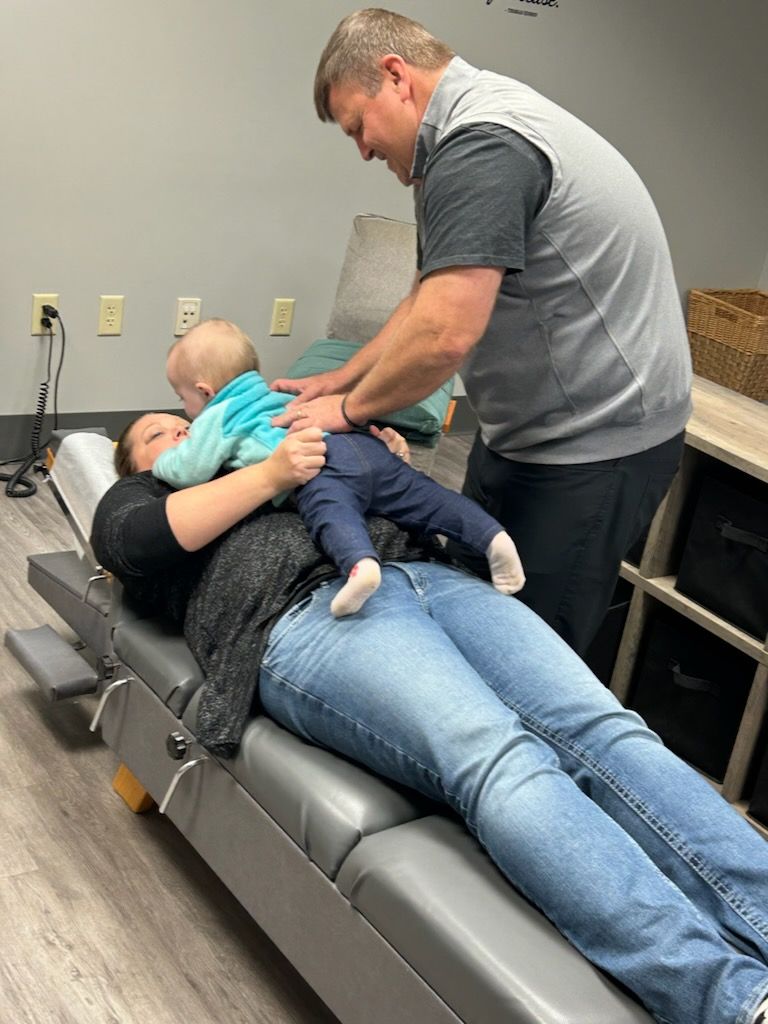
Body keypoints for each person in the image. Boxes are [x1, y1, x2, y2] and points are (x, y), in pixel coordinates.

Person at [90, 414, 768, 1024]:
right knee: (499, 759)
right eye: (160, 435)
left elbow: (400, 499)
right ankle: (729, 1000)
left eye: (188, 422)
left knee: (609, 731)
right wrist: (273, 471)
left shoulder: (278, 444)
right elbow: (132, 544)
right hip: (303, 617)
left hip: (425, 575)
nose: (185, 432)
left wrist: (377, 461)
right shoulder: (143, 498)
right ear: (136, 465)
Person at [270, 8, 693, 657]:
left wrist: (346, 411)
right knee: (471, 598)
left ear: (395, 76)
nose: (361, 148)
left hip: (596, 447)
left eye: (359, 125)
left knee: (529, 655)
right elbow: (423, 300)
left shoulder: (484, 145)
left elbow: (444, 334)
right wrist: (341, 377)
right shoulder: (445, 148)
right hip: (522, 433)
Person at [153, 317, 524, 616]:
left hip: (322, 466)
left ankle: (360, 567)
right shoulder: (274, 395)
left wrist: (161, 463)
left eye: (180, 398)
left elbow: (190, 470)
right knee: (428, 498)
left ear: (204, 391)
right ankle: (493, 537)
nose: (184, 415)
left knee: (331, 513)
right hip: (361, 445)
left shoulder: (219, 415)